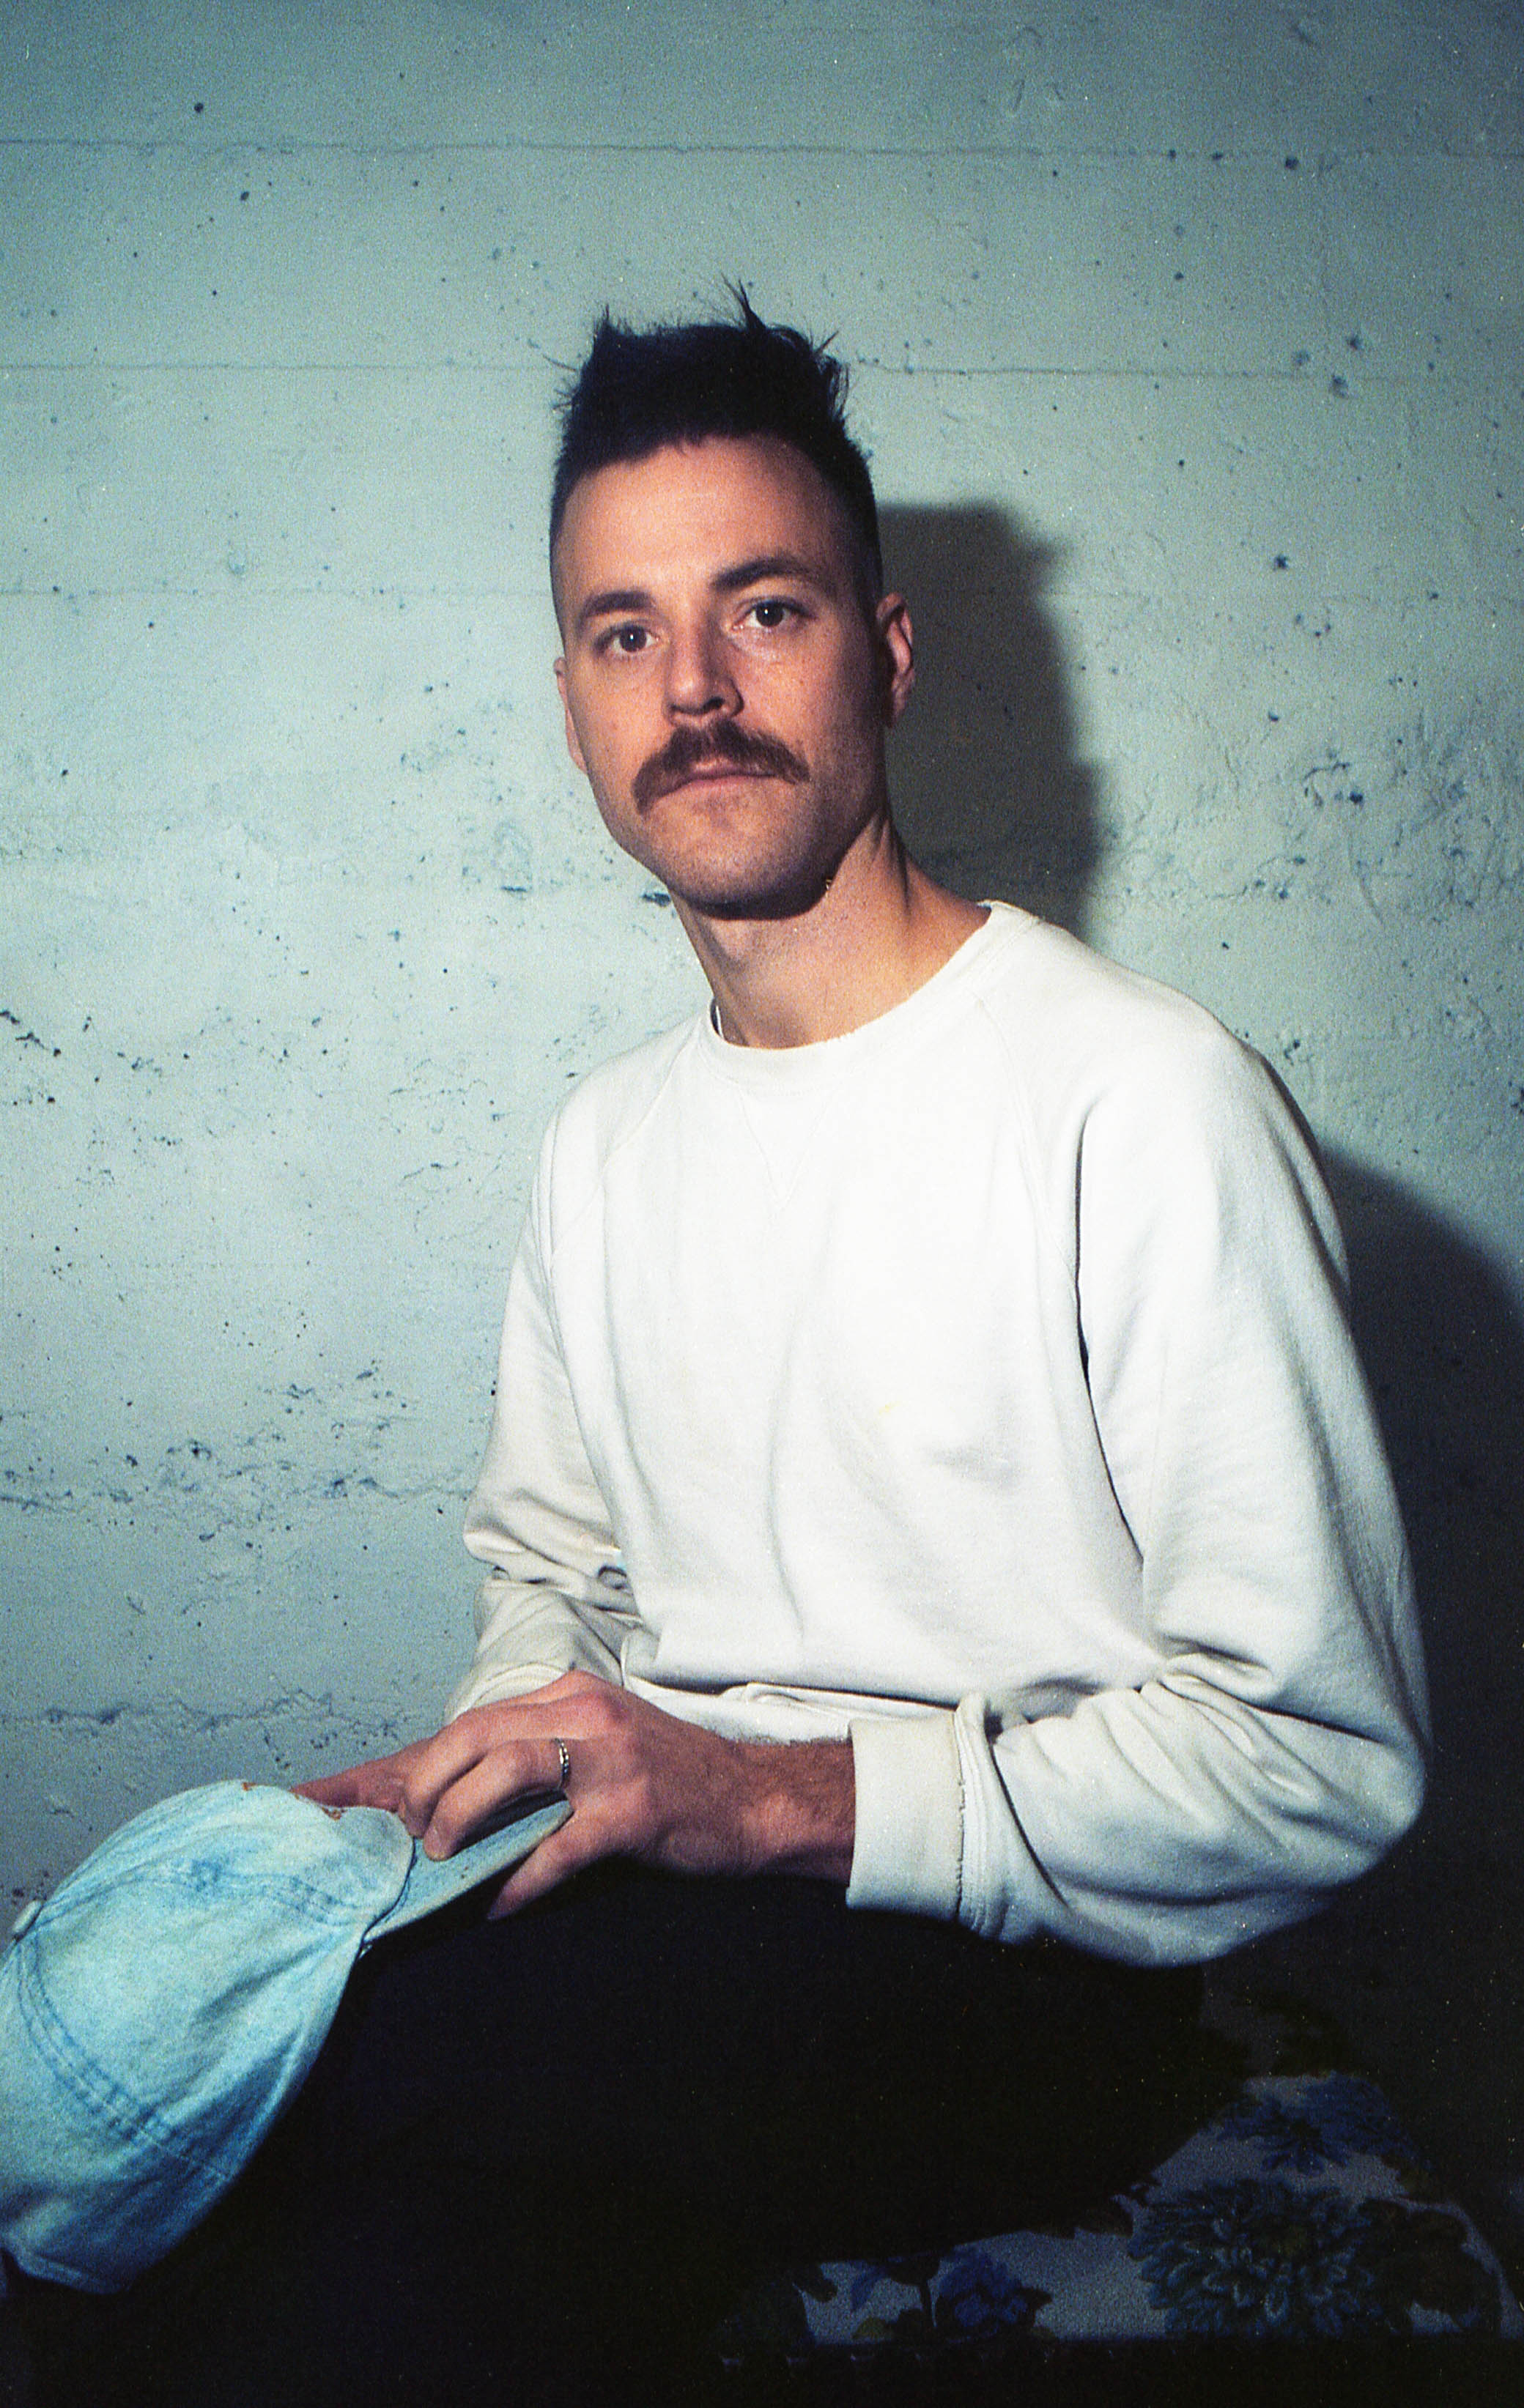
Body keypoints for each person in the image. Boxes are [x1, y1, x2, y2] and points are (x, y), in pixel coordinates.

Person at [26, 296, 1428, 2407]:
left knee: (227, 2071)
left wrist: (763, 1801)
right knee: (351, 2301)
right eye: (625, 633)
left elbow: (1318, 1762)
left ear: (885, 652)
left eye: (762, 610)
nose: (692, 689)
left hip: (1023, 1978)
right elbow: (550, 1577)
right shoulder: (606, 1141)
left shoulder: (1141, 1103)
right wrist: (514, 1764)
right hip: (665, 1944)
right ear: (573, 702)